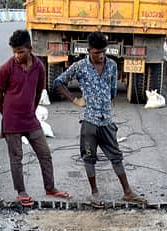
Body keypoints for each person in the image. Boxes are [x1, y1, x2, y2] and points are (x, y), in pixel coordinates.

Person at [54, 32, 146, 208]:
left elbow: (112, 91)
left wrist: (107, 107)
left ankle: (127, 192)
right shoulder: (80, 66)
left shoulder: (111, 65)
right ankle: (94, 193)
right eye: (97, 52)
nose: (101, 56)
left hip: (106, 121)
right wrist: (75, 100)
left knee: (116, 156)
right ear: (89, 51)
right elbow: (58, 82)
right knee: (89, 158)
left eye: (103, 51)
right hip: (89, 121)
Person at [0, 30, 70, 207]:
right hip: (11, 121)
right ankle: (21, 192)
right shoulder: (6, 68)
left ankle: (50, 187)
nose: (17, 55)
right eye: (14, 51)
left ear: (30, 48)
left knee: (44, 153)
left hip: (30, 119)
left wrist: (31, 109)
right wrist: (5, 114)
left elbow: (38, 92)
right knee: (16, 158)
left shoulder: (39, 67)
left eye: (20, 51)